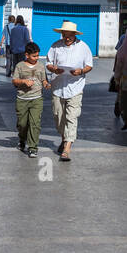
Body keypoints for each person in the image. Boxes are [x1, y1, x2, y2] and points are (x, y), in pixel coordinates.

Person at [45, 20, 94, 163]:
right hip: (58, 87)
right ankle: (64, 138)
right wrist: (54, 69)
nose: (67, 39)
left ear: (74, 35)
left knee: (72, 117)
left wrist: (81, 71)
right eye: (64, 36)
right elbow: (48, 63)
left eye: (69, 36)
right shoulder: (55, 46)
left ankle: (67, 148)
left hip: (75, 87)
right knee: (58, 117)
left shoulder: (83, 47)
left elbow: (89, 65)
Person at [12, 41, 52, 156]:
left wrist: (46, 84)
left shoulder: (40, 65)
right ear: (27, 55)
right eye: (34, 56)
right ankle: (22, 139)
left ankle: (33, 147)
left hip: (37, 99)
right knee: (22, 124)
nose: (36, 58)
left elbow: (43, 79)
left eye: (38, 55)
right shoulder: (20, 66)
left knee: (35, 123)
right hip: (22, 99)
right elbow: (14, 81)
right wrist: (23, 81)